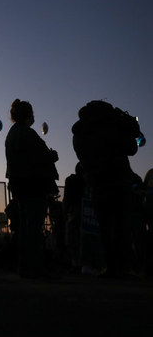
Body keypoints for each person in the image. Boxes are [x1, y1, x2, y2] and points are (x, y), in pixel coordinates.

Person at [71, 100, 140, 277]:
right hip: (120, 181)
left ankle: (110, 266)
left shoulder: (79, 133)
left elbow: (82, 157)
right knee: (122, 227)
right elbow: (132, 148)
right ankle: (123, 267)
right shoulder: (111, 127)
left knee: (104, 227)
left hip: (97, 183)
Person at [4, 99, 59, 279]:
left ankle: (25, 266)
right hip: (33, 185)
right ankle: (33, 267)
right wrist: (52, 156)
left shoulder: (13, 134)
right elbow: (37, 158)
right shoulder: (27, 133)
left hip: (21, 184)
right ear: (28, 115)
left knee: (26, 227)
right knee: (33, 227)